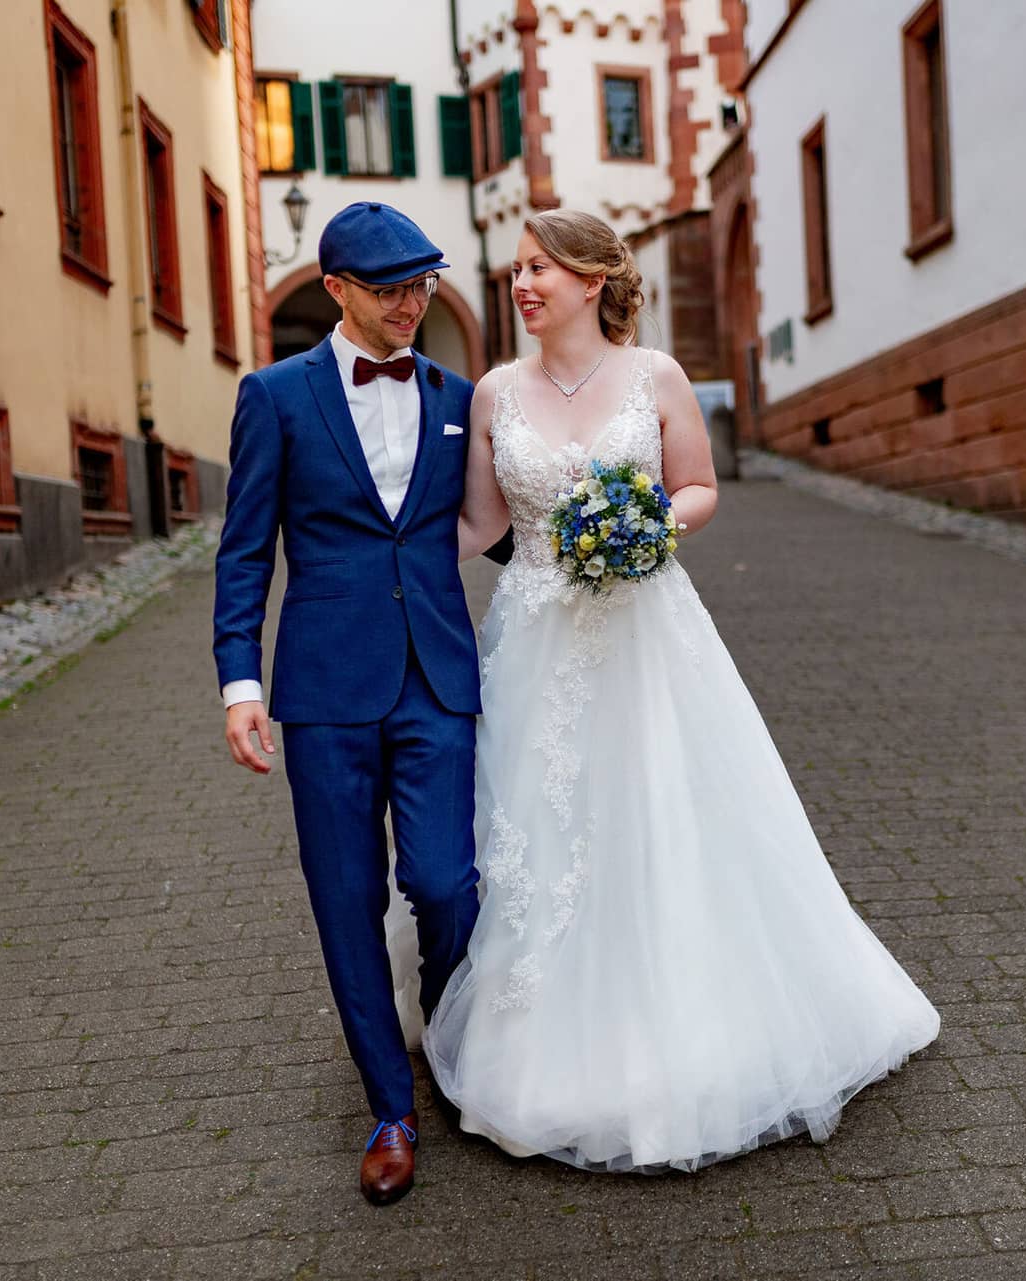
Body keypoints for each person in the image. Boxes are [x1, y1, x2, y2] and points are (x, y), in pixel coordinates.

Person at [421, 209, 940, 1172]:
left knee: (662, 813)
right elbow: (477, 523)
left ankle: (697, 1032)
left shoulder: (655, 377)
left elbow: (699, 486)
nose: (522, 284)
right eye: (516, 271)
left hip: (646, 632)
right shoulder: (494, 391)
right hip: (536, 637)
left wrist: (644, 523)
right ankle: (538, 1045)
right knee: (543, 829)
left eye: (540, 268)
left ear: (591, 279)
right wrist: (381, 560)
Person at [212, 202, 486, 1205]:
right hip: (324, 690)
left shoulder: (459, 397)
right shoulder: (275, 397)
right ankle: (390, 1107)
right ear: (335, 289)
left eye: (420, 284)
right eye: (387, 289)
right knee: (346, 901)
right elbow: (244, 551)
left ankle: (450, 1042)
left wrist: (600, 539)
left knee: (449, 880)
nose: (410, 305)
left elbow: (499, 524)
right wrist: (239, 682)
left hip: (439, 679)